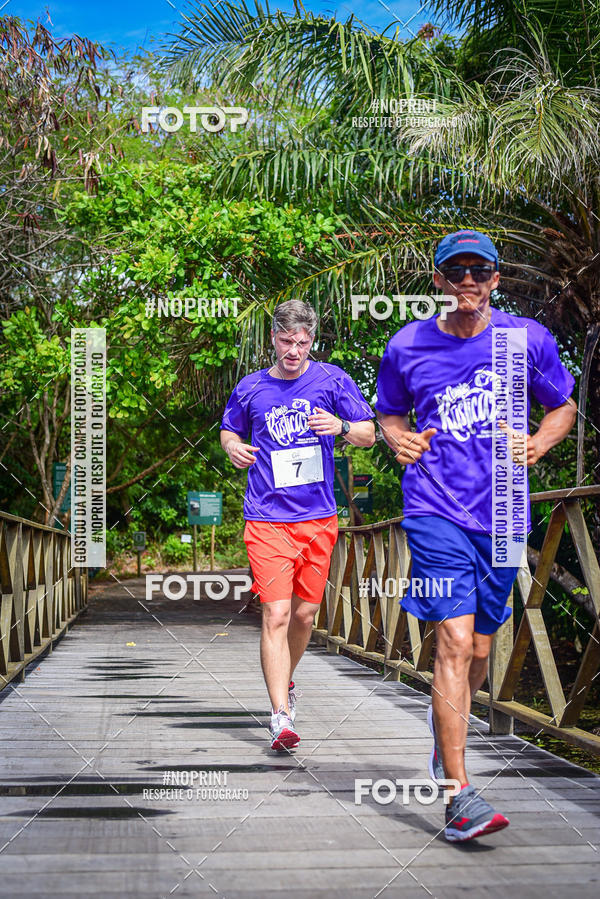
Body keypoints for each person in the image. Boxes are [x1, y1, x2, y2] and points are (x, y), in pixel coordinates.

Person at [376, 229, 577, 841]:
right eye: (455, 270)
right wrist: (394, 436)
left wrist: (541, 442)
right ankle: (458, 794)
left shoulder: (525, 340)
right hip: (435, 510)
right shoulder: (408, 345)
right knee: (455, 646)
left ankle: (447, 740)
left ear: (496, 278)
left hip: (506, 511)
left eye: (479, 270)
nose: (468, 279)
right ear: (438, 280)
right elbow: (389, 410)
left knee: (483, 650)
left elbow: (561, 404)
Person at [220, 299, 375, 751]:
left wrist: (340, 424)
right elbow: (229, 430)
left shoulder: (331, 379)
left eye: (302, 342)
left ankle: (286, 682)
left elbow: (368, 432)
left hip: (319, 518)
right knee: (277, 613)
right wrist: (233, 447)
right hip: (267, 517)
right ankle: (279, 716)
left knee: (305, 615)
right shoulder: (251, 388)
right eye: (286, 341)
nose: (294, 350)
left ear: (312, 340)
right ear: (273, 338)